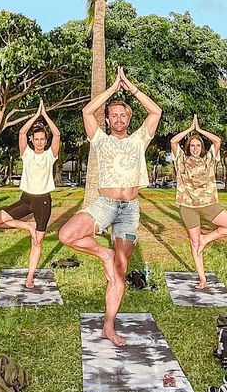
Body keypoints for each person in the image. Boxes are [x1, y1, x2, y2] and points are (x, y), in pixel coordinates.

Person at [58, 67, 162, 346]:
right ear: (108, 119)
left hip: (129, 209)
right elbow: (86, 113)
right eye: (114, 115)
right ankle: (103, 254)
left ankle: (109, 326)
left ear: (129, 119)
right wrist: (112, 89)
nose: (118, 119)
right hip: (105, 204)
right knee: (67, 235)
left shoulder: (139, 139)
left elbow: (156, 112)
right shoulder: (100, 140)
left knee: (120, 272)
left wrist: (131, 88)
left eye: (123, 115)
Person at [0, 101, 60, 288]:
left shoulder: (50, 155)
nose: (39, 142)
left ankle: (30, 277)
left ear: (45, 141)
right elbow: (21, 133)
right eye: (36, 139)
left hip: (43, 202)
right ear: (31, 140)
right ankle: (27, 225)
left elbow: (57, 134)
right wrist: (35, 116)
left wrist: (45, 116)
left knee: (37, 242)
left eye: (42, 139)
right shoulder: (26, 154)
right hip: (26, 199)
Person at [171, 115, 227, 289]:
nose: (195, 148)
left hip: (209, 204)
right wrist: (189, 130)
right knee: (194, 243)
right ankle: (202, 278)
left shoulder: (209, 159)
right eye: (192, 145)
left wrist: (199, 130)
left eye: (198, 145)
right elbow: (173, 141)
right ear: (188, 147)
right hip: (188, 207)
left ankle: (205, 239)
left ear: (202, 147)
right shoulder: (181, 160)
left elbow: (217, 141)